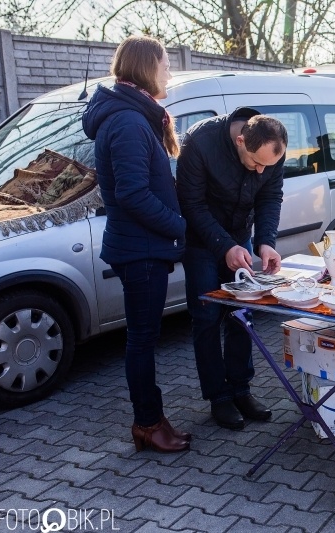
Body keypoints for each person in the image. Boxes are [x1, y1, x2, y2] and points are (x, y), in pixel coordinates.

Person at [81, 36, 190, 453]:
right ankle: (147, 423)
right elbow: (131, 193)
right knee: (142, 341)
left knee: (144, 338)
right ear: (146, 67)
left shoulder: (134, 115)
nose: (169, 72)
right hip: (140, 249)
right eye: (165, 64)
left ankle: (152, 419)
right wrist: (178, 224)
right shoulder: (127, 120)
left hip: (143, 246)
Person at [176, 109, 287, 430]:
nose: (261, 169)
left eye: (268, 164)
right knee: (207, 317)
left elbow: (270, 197)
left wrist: (266, 241)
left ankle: (241, 389)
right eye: (256, 163)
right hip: (201, 242)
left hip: (241, 238)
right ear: (240, 140)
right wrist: (224, 247)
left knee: (243, 313)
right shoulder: (199, 142)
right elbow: (191, 205)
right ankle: (219, 398)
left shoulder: (271, 151)